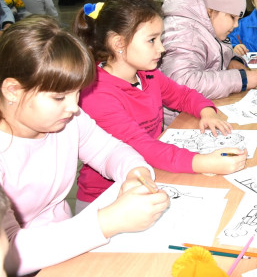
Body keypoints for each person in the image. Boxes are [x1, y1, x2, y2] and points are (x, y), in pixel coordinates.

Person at [0, 16, 170, 276]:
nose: (73, 107)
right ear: (12, 90)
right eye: (59, 97)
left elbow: (109, 150)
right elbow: (9, 255)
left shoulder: (66, 120)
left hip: (68, 250)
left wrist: (135, 171)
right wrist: (107, 222)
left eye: (77, 92)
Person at [73, 0, 246, 209]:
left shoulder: (148, 74)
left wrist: (206, 111)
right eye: (152, 40)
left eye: (161, 39)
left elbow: (183, 95)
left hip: (153, 176)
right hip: (106, 199)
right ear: (119, 43)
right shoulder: (98, 95)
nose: (161, 48)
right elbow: (142, 147)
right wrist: (203, 162)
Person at [160, 0, 257, 123]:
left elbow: (217, 52)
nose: (236, 24)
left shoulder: (208, 26)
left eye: (238, 18)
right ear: (210, 10)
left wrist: (233, 60)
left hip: (202, 112)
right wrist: (240, 79)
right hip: (177, 123)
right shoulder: (185, 32)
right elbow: (183, 83)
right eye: (232, 17)